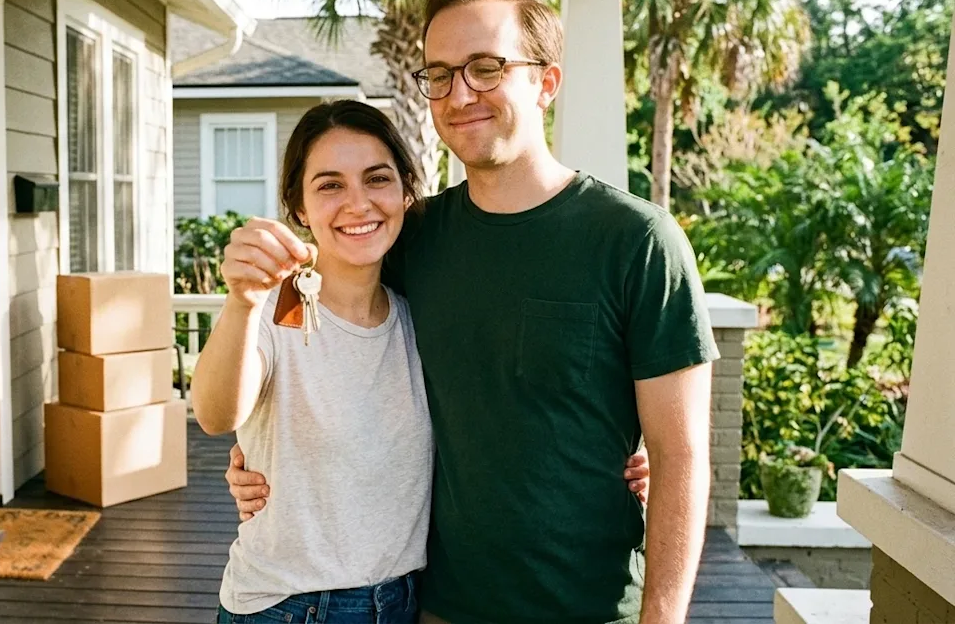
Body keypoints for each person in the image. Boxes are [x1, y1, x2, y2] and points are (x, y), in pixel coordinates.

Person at [225, 0, 718, 624]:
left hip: (594, 609)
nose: (460, 94)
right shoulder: (413, 237)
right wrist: (257, 452)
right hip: (438, 607)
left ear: (546, 81)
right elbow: (301, 324)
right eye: (440, 74)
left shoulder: (638, 242)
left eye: (486, 68)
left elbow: (682, 461)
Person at [193, 100, 651, 624]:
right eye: (330, 185)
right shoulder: (276, 308)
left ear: (407, 192)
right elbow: (215, 414)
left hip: (407, 602)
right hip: (289, 606)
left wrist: (618, 458)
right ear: (298, 206)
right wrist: (242, 301)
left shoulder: (419, 312)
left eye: (377, 179)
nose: (358, 203)